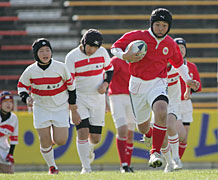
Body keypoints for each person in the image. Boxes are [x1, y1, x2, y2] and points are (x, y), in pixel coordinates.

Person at [111, 8, 200, 168]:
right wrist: (124, 55)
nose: (160, 28)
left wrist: (188, 80)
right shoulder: (138, 36)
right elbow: (114, 47)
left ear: (169, 27)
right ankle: (150, 135)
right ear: (151, 24)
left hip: (158, 83)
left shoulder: (170, 44)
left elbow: (179, 64)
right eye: (157, 24)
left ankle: (155, 152)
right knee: (143, 127)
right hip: (137, 85)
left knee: (161, 110)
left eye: (164, 25)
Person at [17, 38, 81, 174]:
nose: (45, 53)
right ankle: (52, 167)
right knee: (44, 140)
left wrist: (73, 108)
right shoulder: (30, 71)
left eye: (47, 50)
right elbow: (21, 86)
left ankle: (51, 138)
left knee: (61, 140)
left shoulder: (61, 67)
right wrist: (26, 98)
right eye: (41, 51)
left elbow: (71, 87)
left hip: (60, 107)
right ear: (36, 54)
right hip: (41, 107)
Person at [65, 29, 114, 174]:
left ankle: (90, 150)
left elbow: (109, 70)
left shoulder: (103, 53)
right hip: (79, 97)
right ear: (83, 43)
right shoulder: (72, 57)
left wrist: (105, 85)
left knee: (96, 138)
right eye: (90, 46)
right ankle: (86, 168)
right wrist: (72, 108)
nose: (92, 50)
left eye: (96, 47)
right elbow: (69, 84)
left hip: (97, 98)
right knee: (82, 132)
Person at [174, 38, 202, 159]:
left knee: (184, 138)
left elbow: (198, 87)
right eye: (178, 48)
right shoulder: (170, 66)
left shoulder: (191, 66)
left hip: (186, 104)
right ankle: (172, 159)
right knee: (178, 134)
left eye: (182, 48)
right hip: (173, 103)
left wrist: (192, 87)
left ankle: (177, 161)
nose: (180, 50)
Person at [108, 56, 136, 173]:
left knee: (130, 132)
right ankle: (123, 164)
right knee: (122, 129)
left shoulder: (137, 60)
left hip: (132, 98)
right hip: (116, 96)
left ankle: (127, 165)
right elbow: (107, 78)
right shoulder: (116, 61)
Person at [0, 91, 18, 174]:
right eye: (5, 102)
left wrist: (11, 154)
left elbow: (14, 138)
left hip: (4, 149)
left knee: (9, 173)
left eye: (10, 102)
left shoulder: (14, 118)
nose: (8, 104)